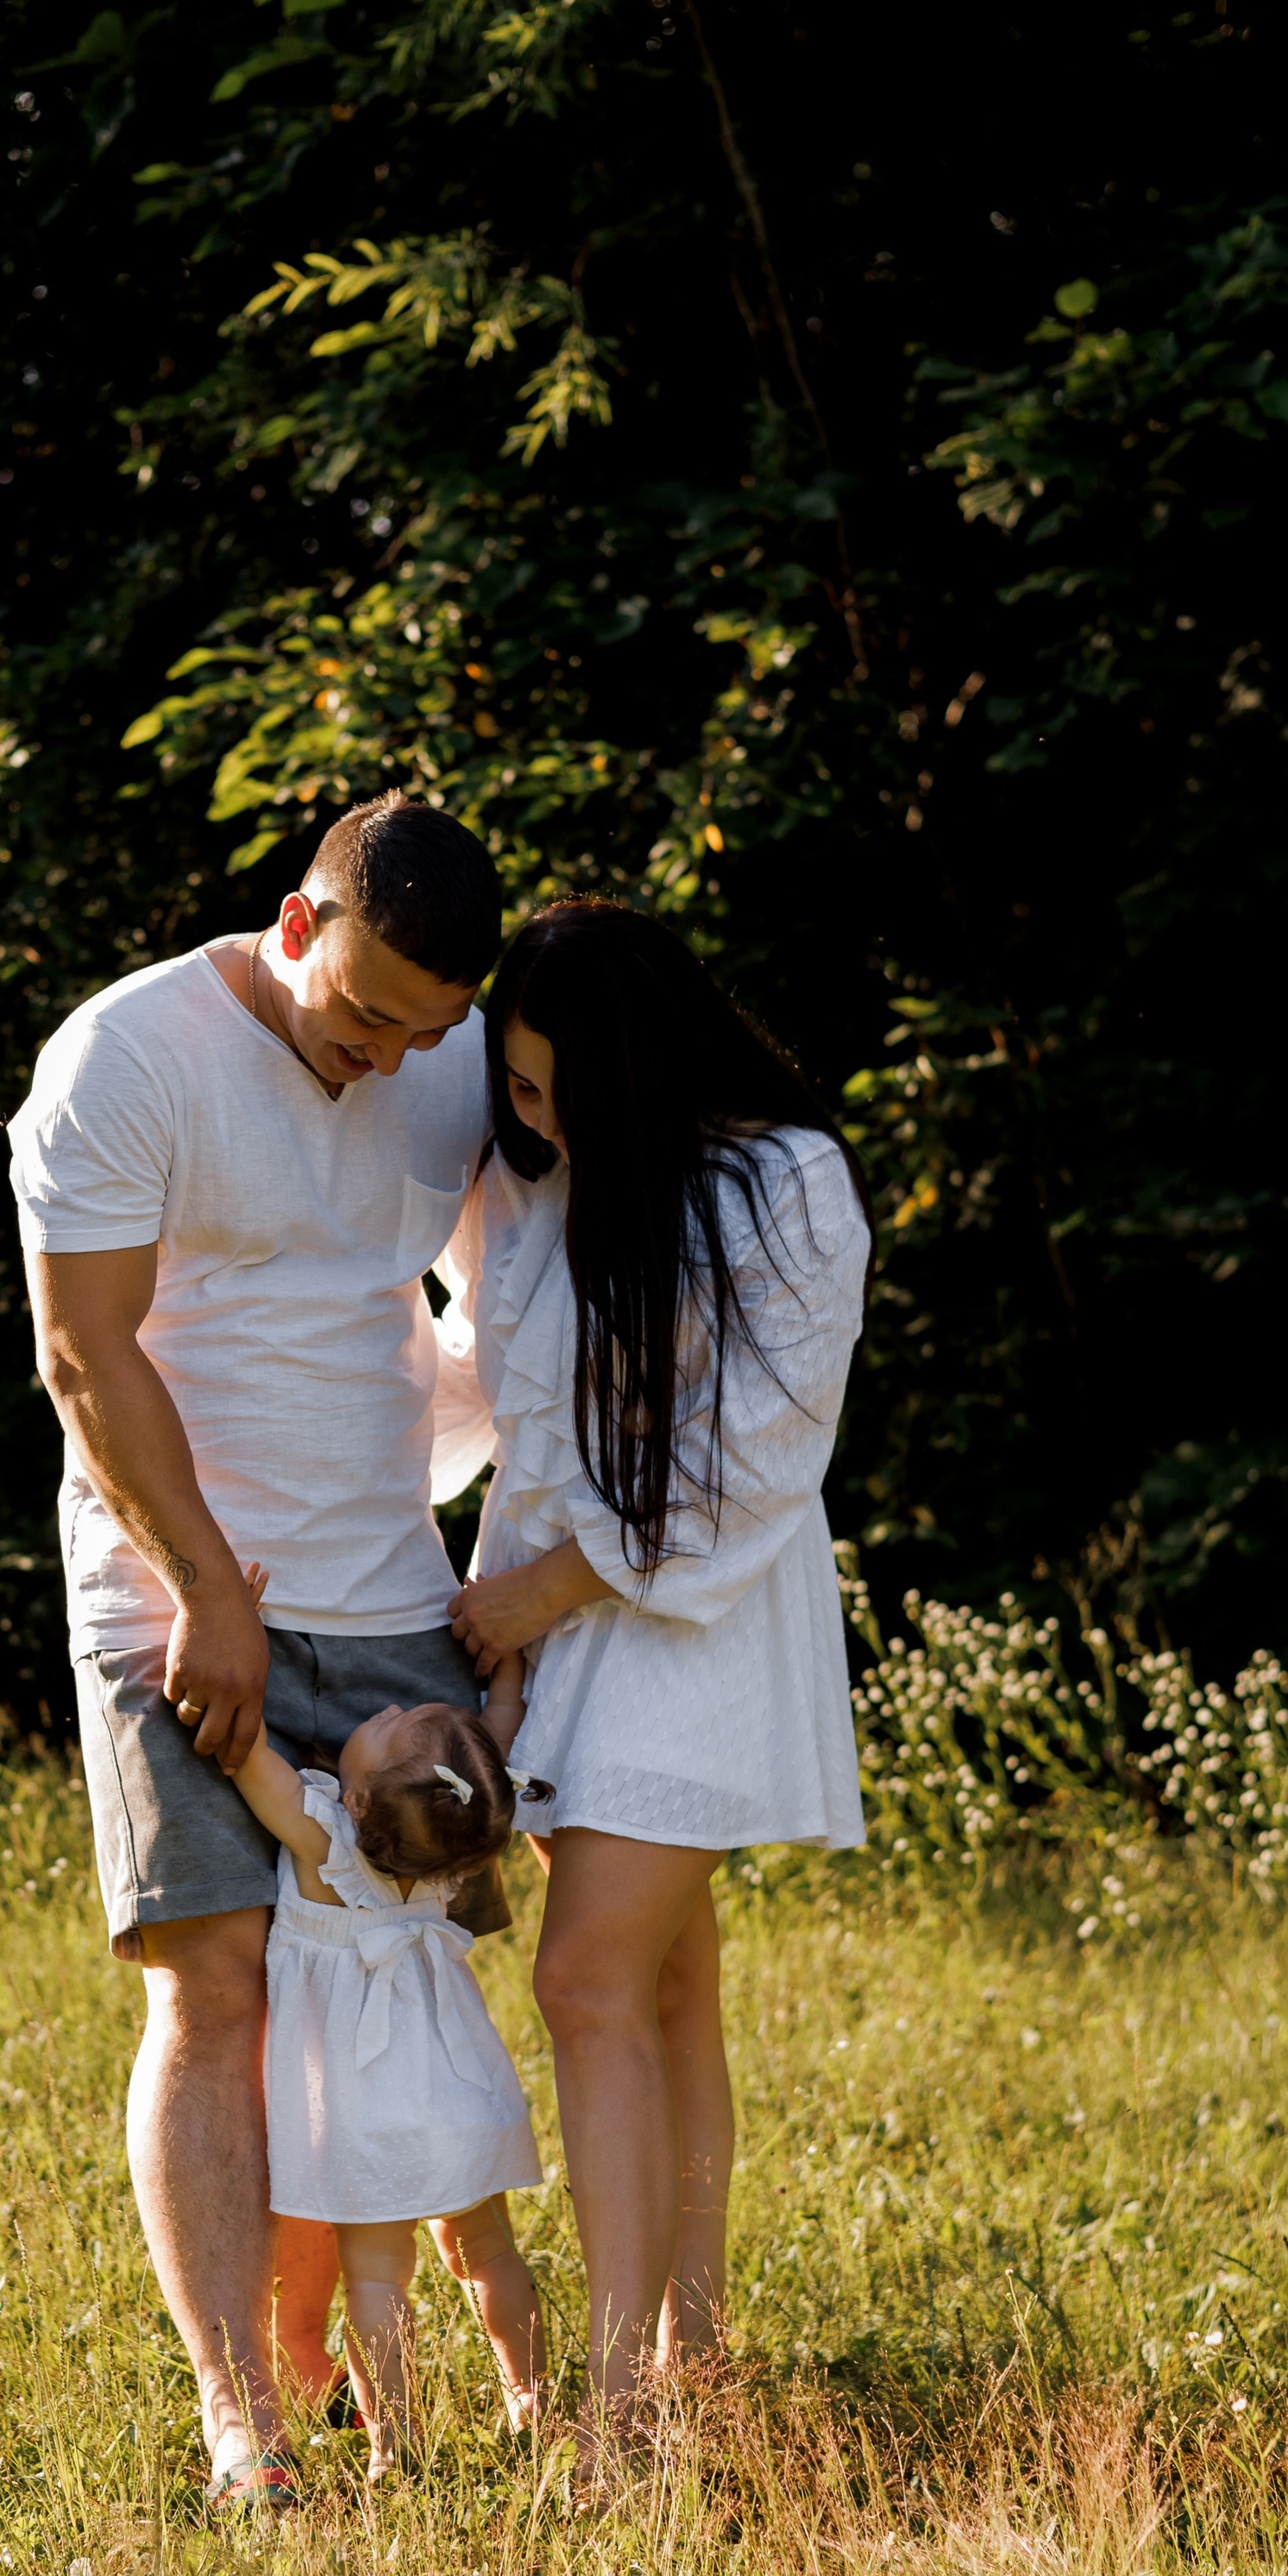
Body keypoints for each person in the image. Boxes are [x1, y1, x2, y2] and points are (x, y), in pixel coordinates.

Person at [9, 789, 507, 2514]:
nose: (388, 1062)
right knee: (211, 1987)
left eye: (422, 1030)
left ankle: (436, 2376)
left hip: (386, 1598)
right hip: (167, 1605)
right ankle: (246, 2433)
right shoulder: (124, 1059)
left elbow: (515, 1299)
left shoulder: (451, 1060)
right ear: (296, 923)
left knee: (397, 1992)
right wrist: (208, 1591)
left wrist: (510, 1559)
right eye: (364, 1013)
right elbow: (84, 1357)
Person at [437, 899, 870, 2467]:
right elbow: (526, 1427)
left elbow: (756, 1466)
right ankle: (701, 2352)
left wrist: (543, 1596)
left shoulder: (784, 1185)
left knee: (585, 1983)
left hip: (702, 1623)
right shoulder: (538, 1181)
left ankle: (619, 2412)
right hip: (564, 1628)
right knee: (668, 1986)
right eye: (519, 1091)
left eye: (559, 1094)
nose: (532, 1122)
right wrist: (507, 1642)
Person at [226, 1607, 549, 2486]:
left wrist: (233, 1627)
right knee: (487, 2252)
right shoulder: (454, 1849)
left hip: (365, 2109)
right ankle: (532, 2399)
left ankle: (391, 2444)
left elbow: (240, 1746)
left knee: (377, 2280)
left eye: (392, 1728)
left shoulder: (320, 1838)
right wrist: (509, 1671)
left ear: (360, 1799)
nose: (385, 1712)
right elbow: (500, 1743)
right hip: (455, 2091)